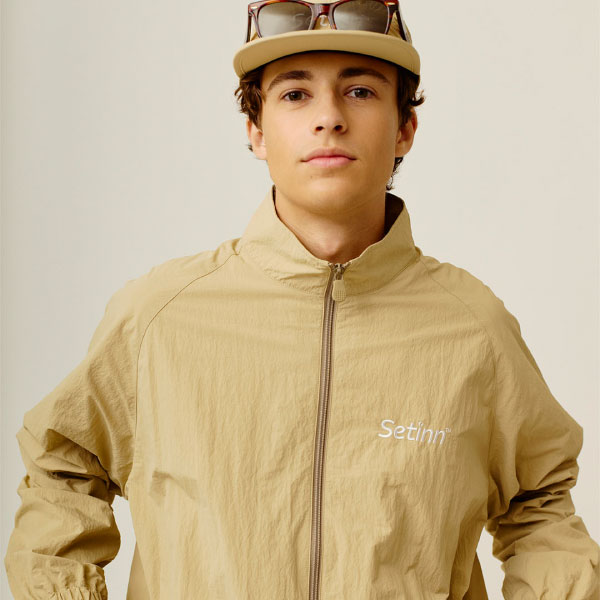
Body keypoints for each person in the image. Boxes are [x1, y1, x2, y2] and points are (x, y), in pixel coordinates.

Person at [4, 1, 599, 598]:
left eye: (361, 91)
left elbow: (540, 505)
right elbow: (64, 469)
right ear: (257, 132)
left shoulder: (473, 327)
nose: (329, 118)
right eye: (295, 94)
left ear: (404, 129)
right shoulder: (159, 316)